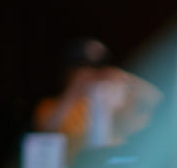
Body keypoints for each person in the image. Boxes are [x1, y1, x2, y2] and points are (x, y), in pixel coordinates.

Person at [34, 38, 162, 161]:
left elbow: (156, 99)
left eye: (96, 69)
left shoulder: (114, 100)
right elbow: (45, 134)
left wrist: (125, 78)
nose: (90, 74)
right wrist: (74, 90)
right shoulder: (51, 105)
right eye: (82, 68)